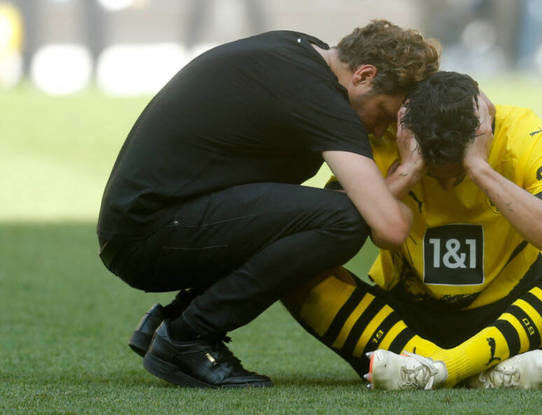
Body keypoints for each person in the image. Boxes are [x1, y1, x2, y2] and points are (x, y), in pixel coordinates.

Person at [97, 20, 439, 389]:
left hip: (148, 222)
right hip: (150, 235)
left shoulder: (300, 55)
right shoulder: (317, 94)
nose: (378, 131)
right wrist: (410, 168)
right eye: (384, 113)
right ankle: (187, 337)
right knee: (342, 222)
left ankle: (171, 319)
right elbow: (388, 228)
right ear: (364, 75)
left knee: (326, 214)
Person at [281, 71, 542, 390]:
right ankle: (488, 372)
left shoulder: (522, 130)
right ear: (409, 136)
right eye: (436, 172)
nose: (449, 184)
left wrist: (479, 169)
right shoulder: (383, 140)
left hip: (517, 315)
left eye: (458, 171)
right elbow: (319, 233)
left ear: (484, 130)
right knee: (287, 255)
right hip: (404, 319)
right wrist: (408, 171)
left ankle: (438, 370)